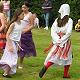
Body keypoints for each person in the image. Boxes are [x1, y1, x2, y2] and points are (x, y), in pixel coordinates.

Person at [39, 4, 73, 78]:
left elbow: (53, 31)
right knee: (68, 57)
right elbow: (69, 32)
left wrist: (57, 39)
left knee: (55, 55)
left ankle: (46, 66)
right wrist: (62, 40)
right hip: (65, 42)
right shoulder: (70, 20)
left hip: (57, 41)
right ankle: (65, 74)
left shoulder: (57, 20)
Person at [0, 8, 24, 78]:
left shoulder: (21, 23)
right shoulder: (13, 24)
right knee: (13, 58)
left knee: (10, 58)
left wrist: (20, 43)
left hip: (15, 44)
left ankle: (6, 72)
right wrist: (10, 45)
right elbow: (7, 34)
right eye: (22, 14)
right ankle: (5, 73)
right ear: (18, 15)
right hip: (11, 43)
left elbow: (19, 35)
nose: (23, 16)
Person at [18, 1, 36, 69]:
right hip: (18, 32)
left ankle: (20, 63)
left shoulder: (30, 15)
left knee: (23, 48)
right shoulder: (20, 14)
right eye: (22, 7)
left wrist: (25, 30)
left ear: (28, 8)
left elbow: (32, 25)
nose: (23, 9)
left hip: (26, 34)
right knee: (16, 47)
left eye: (24, 7)